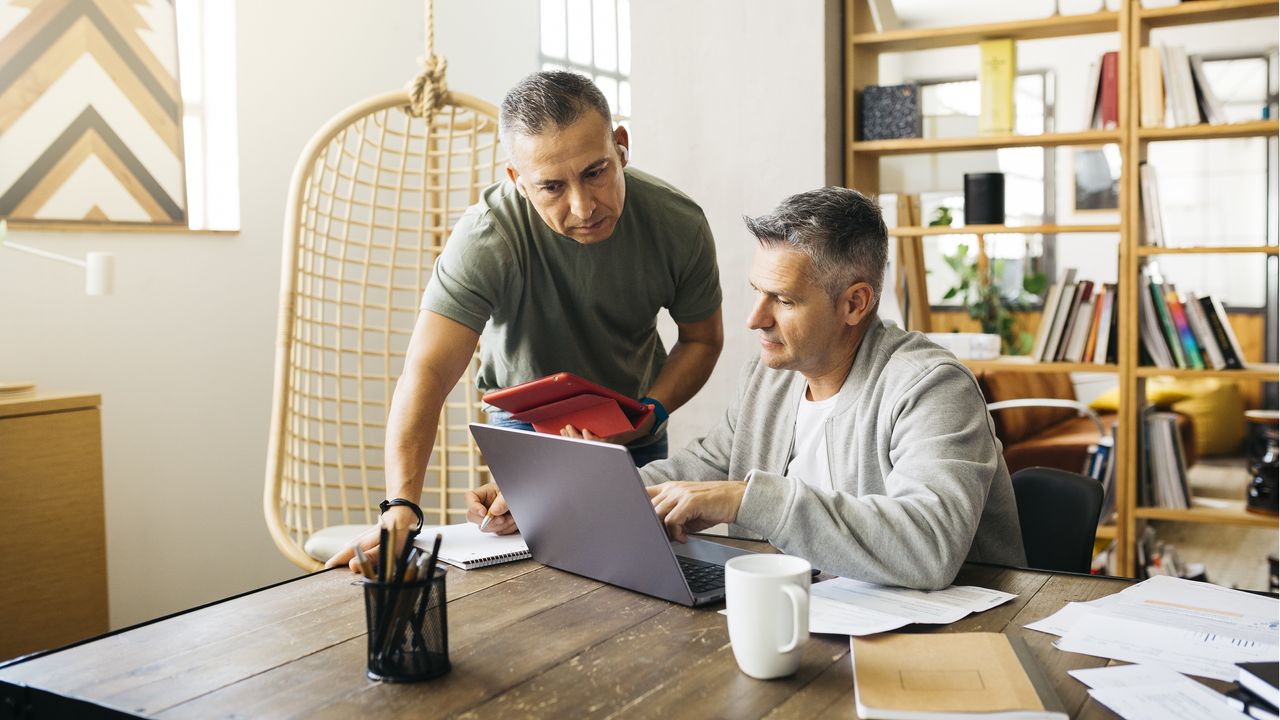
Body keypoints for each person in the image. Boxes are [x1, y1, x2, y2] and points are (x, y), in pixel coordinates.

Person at [467, 186, 1025, 590]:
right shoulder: (771, 377)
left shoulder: (931, 388)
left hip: (948, 646)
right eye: (757, 292)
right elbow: (704, 470)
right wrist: (560, 494)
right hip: (811, 615)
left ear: (855, 303)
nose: (755, 319)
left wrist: (744, 499)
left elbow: (928, 547)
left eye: (782, 300)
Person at [326, 70, 724, 571]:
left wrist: (649, 413)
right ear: (517, 180)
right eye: (552, 187)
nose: (583, 206)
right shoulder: (487, 236)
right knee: (531, 575)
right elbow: (425, 373)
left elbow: (703, 340)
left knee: (646, 572)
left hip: (637, 418)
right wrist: (401, 509)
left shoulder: (678, 222)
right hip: (525, 426)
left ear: (621, 147)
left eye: (596, 171)